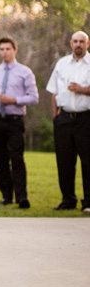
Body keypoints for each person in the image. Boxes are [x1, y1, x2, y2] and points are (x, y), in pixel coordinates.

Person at [0, 36, 38, 209]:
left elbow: (34, 98)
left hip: (14, 121)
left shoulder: (25, 72)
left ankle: (22, 196)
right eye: (2, 49)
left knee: (17, 159)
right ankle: (6, 196)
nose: (4, 52)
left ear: (15, 50)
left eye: (8, 49)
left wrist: (13, 99)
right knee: (0, 160)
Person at [46, 30, 90, 213]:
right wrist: (55, 117)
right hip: (63, 118)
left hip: (85, 118)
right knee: (64, 161)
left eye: (82, 41)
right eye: (75, 41)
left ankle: (88, 202)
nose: (78, 44)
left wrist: (83, 89)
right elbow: (54, 92)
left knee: (88, 161)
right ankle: (68, 199)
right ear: (71, 43)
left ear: (87, 44)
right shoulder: (62, 64)